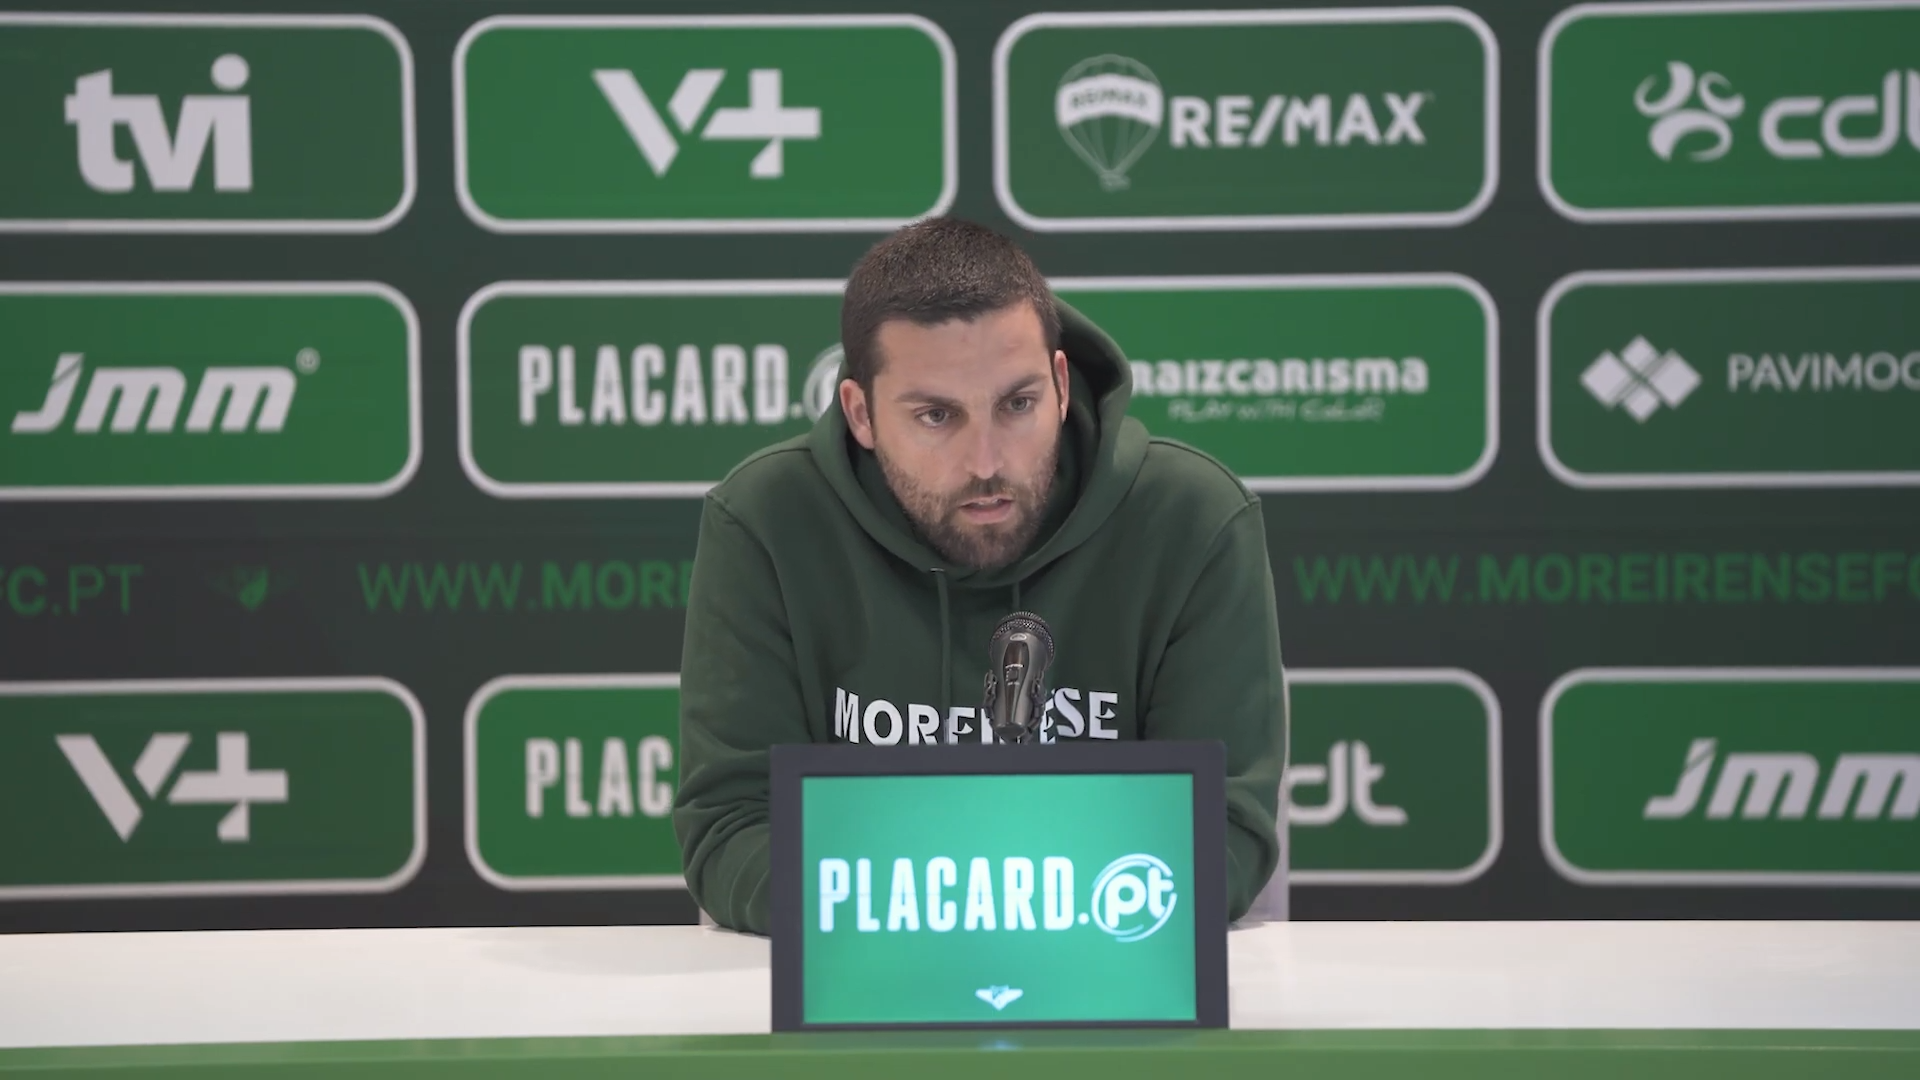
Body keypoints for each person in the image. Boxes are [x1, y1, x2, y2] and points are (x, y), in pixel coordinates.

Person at [672, 216, 1288, 936]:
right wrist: (959, 920)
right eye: (937, 416)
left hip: (1108, 970)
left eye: (1017, 405)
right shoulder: (768, 521)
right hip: (864, 976)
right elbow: (732, 830)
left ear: (1061, 385)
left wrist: (949, 909)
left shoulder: (1190, 520)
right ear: (861, 415)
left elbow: (1221, 835)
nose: (987, 462)